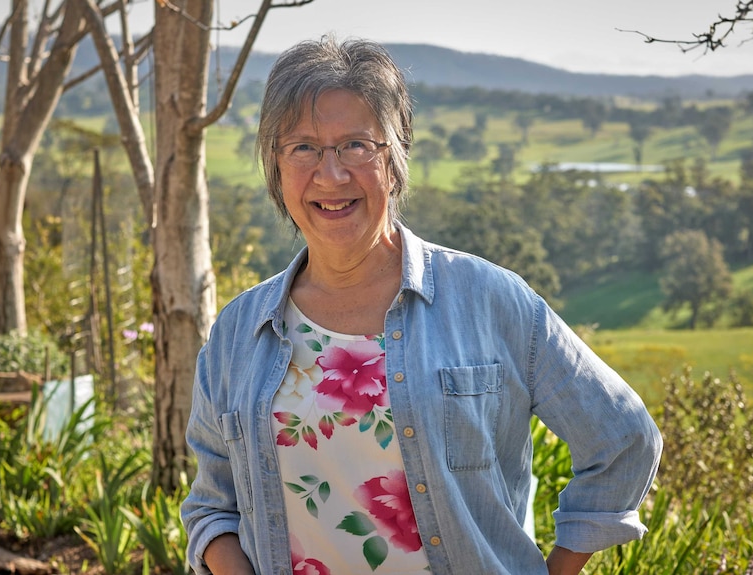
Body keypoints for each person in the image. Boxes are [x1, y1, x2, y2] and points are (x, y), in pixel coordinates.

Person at [181, 36, 662, 575]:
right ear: (276, 163)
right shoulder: (238, 331)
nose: (332, 175)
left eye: (357, 146)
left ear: (397, 152)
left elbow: (623, 438)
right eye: (304, 148)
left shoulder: (490, 300)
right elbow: (212, 506)